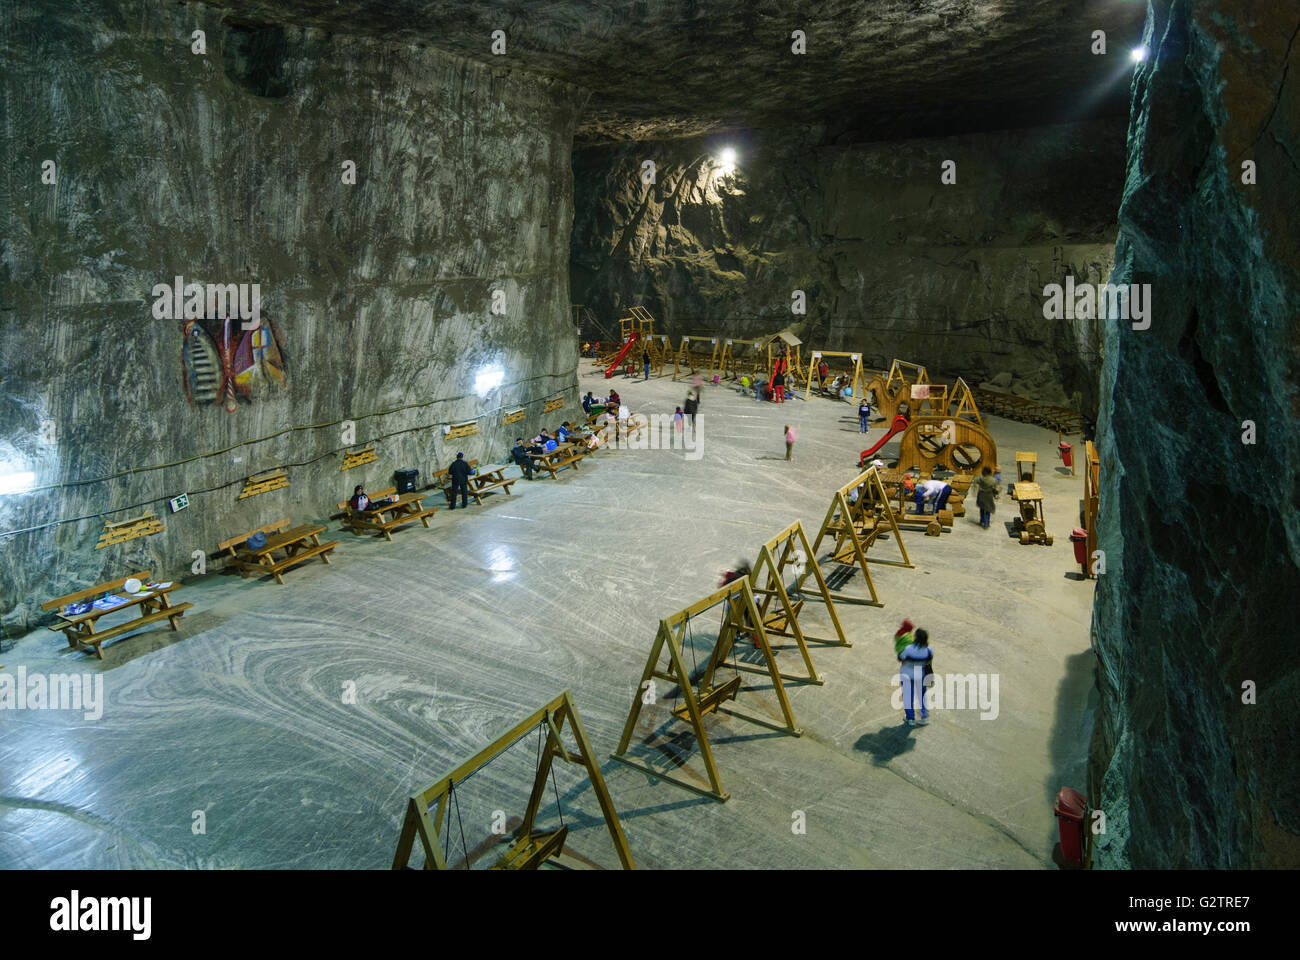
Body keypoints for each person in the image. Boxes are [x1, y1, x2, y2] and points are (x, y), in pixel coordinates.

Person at [898, 628, 934, 726]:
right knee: (921, 695)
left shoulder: (909, 648)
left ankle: (910, 718)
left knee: (908, 695)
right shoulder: (929, 649)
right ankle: (924, 717)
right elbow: (929, 660)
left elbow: (900, 657)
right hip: (920, 673)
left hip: (907, 673)